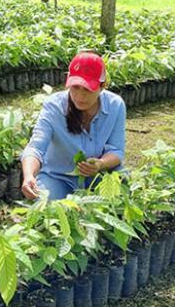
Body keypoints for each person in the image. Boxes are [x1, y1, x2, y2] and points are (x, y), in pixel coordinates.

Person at [21, 52, 125, 201]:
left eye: (87, 89)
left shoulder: (115, 105)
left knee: (123, 188)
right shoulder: (54, 106)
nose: (80, 96)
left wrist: (100, 164)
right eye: (75, 87)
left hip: (98, 176)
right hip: (58, 177)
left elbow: (117, 150)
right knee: (47, 205)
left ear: (102, 86)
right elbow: (36, 148)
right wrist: (29, 175)